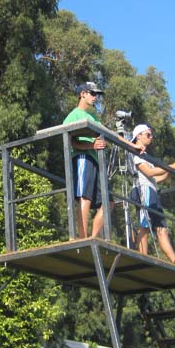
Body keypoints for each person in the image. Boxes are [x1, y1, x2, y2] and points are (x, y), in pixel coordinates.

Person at [63, 81, 141, 238]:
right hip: (83, 158)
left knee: (108, 203)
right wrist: (91, 146)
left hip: (96, 163)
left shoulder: (92, 117)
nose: (95, 98)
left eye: (96, 95)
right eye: (92, 94)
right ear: (82, 94)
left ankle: (92, 237)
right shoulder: (74, 115)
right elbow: (70, 140)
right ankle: (82, 237)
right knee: (84, 197)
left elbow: (109, 133)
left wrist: (133, 147)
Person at [131, 123, 175, 266]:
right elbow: (149, 172)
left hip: (151, 190)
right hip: (143, 190)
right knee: (144, 225)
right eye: (148, 135)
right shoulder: (135, 153)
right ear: (138, 136)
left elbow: (156, 178)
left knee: (162, 229)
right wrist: (171, 166)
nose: (151, 138)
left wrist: (169, 171)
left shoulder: (146, 156)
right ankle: (142, 257)